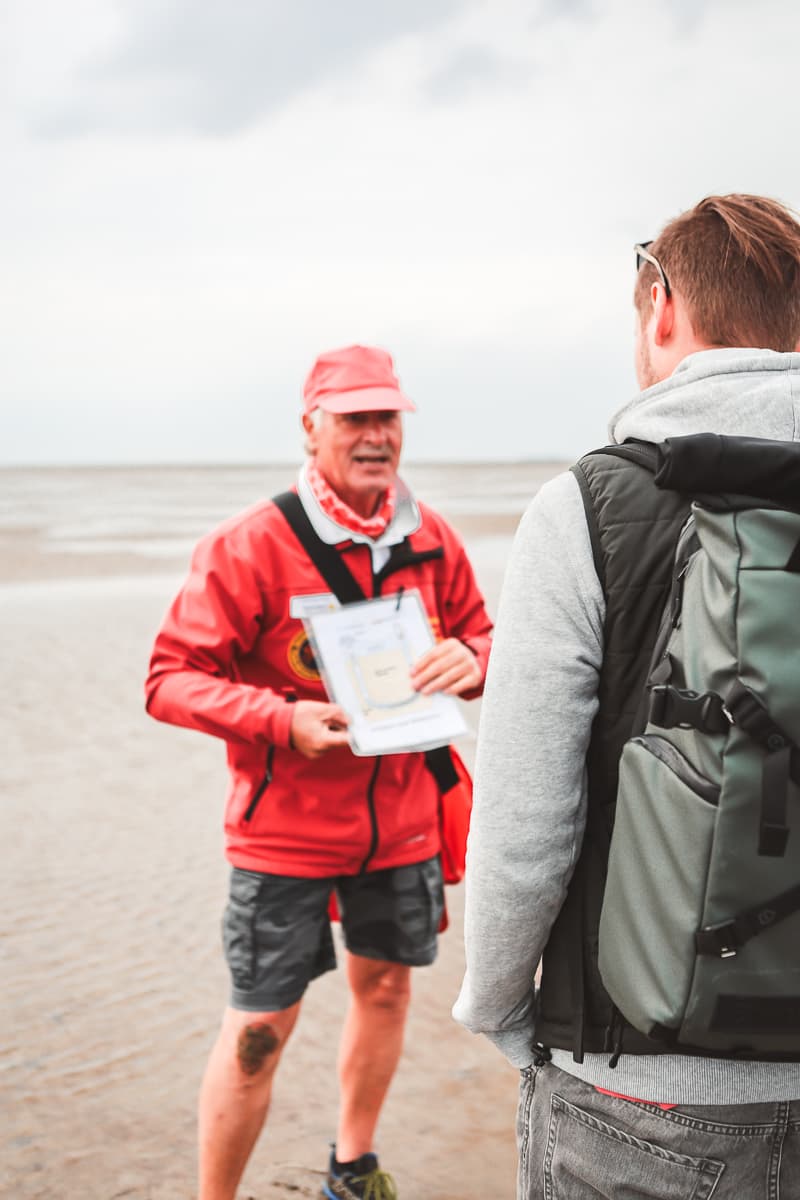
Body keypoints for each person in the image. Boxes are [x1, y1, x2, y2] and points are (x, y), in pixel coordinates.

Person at [453, 195, 800, 1198]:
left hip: (637, 1086)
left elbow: (523, 822)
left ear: (658, 310)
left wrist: (497, 1007)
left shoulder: (588, 508)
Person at [145, 343, 492, 1200]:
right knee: (261, 1026)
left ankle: (352, 1163)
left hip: (404, 820)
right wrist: (281, 719)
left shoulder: (431, 536)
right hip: (283, 835)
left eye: (388, 418)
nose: (376, 436)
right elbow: (168, 679)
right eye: (356, 419)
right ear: (311, 427)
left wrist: (471, 662)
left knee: (384, 992)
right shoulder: (250, 544)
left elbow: (483, 637)